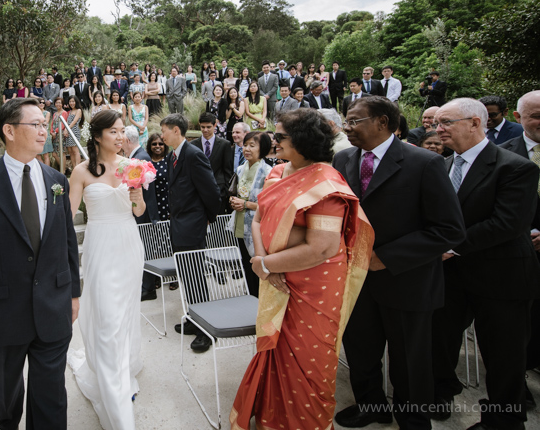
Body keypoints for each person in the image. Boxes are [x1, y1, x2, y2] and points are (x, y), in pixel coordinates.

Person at [230, 109, 374, 430]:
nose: (273, 142)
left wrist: (264, 263)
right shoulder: (278, 173)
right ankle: (272, 418)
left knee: (309, 361)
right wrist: (263, 264)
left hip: (313, 287)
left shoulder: (327, 184)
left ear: (303, 140)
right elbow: (258, 218)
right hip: (275, 277)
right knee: (274, 349)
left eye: (280, 137)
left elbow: (321, 247)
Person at [332, 97, 465, 429]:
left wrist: (385, 258)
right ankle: (371, 405)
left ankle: (412, 416)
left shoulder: (423, 163)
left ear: (381, 122)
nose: (347, 128)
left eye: (354, 121)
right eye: (345, 122)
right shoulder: (343, 159)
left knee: (410, 358)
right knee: (361, 351)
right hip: (355, 281)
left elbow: (449, 229)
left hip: (408, 281)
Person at [0, 97, 80, 430]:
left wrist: (73, 293)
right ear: (8, 130)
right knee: (6, 400)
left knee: (51, 399)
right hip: (1, 317)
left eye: (44, 124)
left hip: (52, 308)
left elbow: (66, 242)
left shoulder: (57, 181)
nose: (43, 130)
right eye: (35, 124)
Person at [430, 98, 540, 428]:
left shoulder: (516, 166)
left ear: (475, 123)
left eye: (446, 122)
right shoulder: (443, 165)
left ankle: (504, 420)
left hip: (501, 277)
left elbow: (508, 224)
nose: (438, 129)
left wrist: (448, 246)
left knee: (503, 355)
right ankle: (440, 394)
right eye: (437, 122)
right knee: (439, 341)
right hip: (451, 277)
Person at [65, 109, 146, 429]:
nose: (121, 136)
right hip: (100, 246)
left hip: (129, 243)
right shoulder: (81, 171)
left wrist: (138, 196)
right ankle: (112, 388)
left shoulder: (132, 167)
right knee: (105, 313)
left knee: (125, 310)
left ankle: (122, 365)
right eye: (114, 131)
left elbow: (139, 212)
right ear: (97, 136)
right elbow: (68, 215)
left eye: (123, 131)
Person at [161, 113, 220, 353]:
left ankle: (206, 331)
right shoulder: (173, 155)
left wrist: (206, 218)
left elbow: (212, 192)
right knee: (186, 275)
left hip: (192, 225)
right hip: (179, 225)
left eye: (164, 130)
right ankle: (195, 319)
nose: (161, 135)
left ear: (176, 130)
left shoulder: (194, 155)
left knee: (195, 276)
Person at [500, 90, 540, 395]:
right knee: (518, 330)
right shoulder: (501, 153)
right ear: (518, 118)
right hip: (513, 256)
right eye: (536, 115)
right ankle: (517, 389)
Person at [227, 131, 272, 297]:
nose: (246, 149)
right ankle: (250, 297)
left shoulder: (269, 172)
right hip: (240, 223)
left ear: (264, 148)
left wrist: (246, 204)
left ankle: (259, 301)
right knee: (245, 265)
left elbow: (270, 206)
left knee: (257, 267)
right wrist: (235, 201)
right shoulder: (240, 169)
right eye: (245, 145)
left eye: (252, 145)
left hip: (257, 226)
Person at [191, 112, 233, 213]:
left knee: (218, 225)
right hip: (198, 193)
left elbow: (228, 170)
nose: (205, 130)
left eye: (208, 127)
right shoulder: (193, 145)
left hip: (219, 191)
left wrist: (226, 193)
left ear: (215, 125)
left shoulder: (224, 144)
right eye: (203, 127)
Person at [63, 96, 84, 173]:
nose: (71, 103)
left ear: (76, 102)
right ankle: (74, 168)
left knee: (75, 150)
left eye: (73, 101)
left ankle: (78, 168)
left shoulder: (78, 110)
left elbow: (74, 122)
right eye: (70, 101)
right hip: (68, 132)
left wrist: (66, 129)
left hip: (74, 131)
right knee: (70, 151)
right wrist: (66, 130)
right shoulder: (70, 111)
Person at [37, 98, 55, 166]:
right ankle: (42, 170)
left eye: (43, 103)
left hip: (44, 134)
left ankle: (47, 171)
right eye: (40, 102)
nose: (41, 104)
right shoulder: (35, 113)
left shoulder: (47, 113)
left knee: (45, 155)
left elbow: (46, 122)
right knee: (37, 154)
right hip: (36, 134)